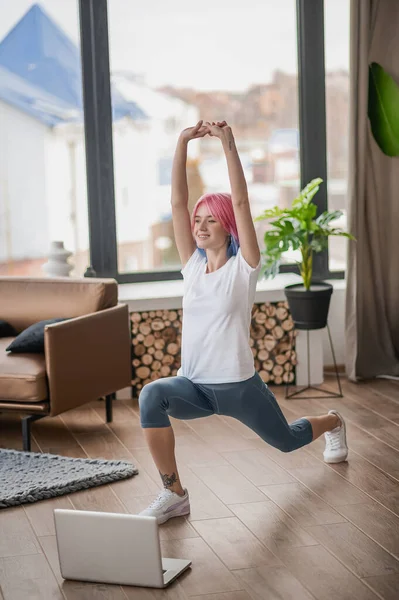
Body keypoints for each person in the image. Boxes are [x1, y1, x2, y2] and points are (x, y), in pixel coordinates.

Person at [138, 120, 348, 525]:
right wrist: (182, 141)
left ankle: (334, 421)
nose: (199, 225)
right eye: (198, 220)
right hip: (194, 386)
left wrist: (229, 145)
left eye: (209, 220)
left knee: (286, 442)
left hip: (238, 387)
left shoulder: (244, 267)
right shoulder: (191, 267)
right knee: (151, 395)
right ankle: (173, 493)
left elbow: (242, 204)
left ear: (227, 227)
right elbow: (177, 205)